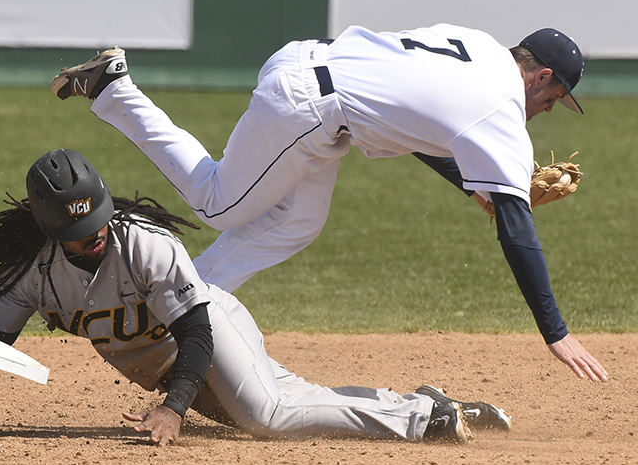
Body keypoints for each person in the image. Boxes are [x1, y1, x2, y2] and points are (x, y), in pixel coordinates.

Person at [50, 24, 609, 383]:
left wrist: (473, 184)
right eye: (557, 97)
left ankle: (174, 302)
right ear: (540, 77)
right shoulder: (503, 112)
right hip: (307, 108)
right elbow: (519, 234)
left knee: (298, 221)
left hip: (308, 69)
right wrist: (555, 332)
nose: (552, 109)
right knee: (218, 204)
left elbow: (413, 121)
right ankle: (113, 90)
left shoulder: (479, 48)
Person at [0, 149, 513, 445]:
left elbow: (195, 332)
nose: (97, 234)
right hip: (163, 362)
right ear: (52, 231)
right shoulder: (32, 272)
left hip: (207, 330)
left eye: (100, 219)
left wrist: (175, 409)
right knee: (292, 402)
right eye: (81, 232)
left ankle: (421, 421)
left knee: (266, 418)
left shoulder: (147, 246)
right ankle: (423, 401)